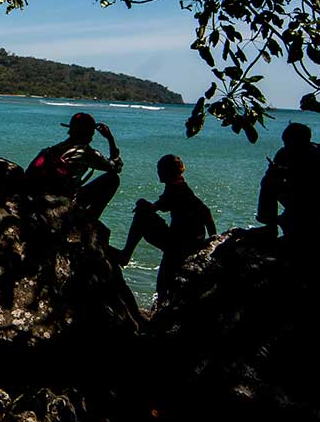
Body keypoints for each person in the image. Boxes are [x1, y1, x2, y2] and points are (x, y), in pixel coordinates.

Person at [114, 155, 216, 295]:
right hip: (185, 241)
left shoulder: (177, 190)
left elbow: (156, 207)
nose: (158, 172)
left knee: (142, 216)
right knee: (164, 285)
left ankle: (125, 254)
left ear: (167, 172)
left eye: (160, 169)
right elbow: (206, 213)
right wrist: (211, 239)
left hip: (179, 244)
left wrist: (142, 204)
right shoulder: (180, 187)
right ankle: (126, 254)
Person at [24, 112, 123, 220]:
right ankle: (89, 222)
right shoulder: (87, 153)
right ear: (89, 133)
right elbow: (116, 168)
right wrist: (110, 139)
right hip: (63, 202)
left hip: (38, 199)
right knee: (113, 180)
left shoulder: (52, 149)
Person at [255, 122, 320, 239]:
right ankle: (270, 226)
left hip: (317, 204)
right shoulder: (284, 153)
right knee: (268, 182)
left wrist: (291, 173)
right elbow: (272, 178)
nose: (286, 146)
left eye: (289, 143)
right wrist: (274, 171)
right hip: (296, 197)